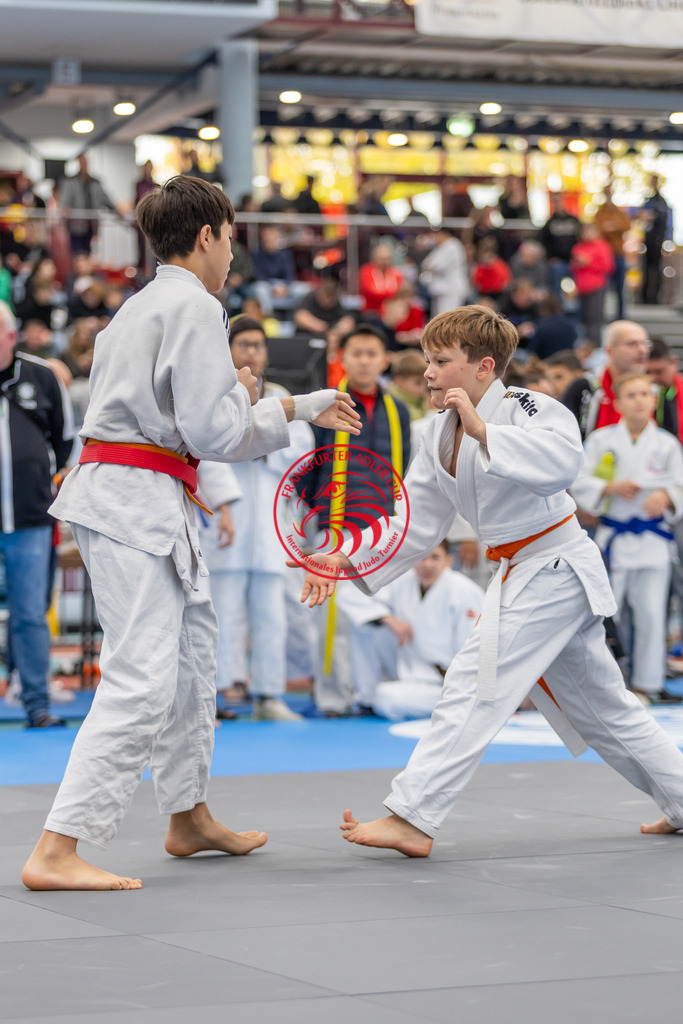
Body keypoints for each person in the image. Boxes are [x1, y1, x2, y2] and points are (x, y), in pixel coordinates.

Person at [21, 175, 361, 892]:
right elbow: (215, 432)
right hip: (134, 500)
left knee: (190, 658)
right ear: (206, 235)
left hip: (140, 494)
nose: (232, 254)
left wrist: (288, 405)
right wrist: (275, 403)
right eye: (230, 238)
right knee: (143, 675)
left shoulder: (139, 306)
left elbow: (198, 426)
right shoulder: (195, 307)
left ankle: (188, 813)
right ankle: (57, 847)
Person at [295, 304, 683, 856]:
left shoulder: (530, 407)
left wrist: (485, 432)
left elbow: (563, 464)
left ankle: (413, 815)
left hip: (554, 564)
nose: (428, 372)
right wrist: (344, 556)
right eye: (427, 360)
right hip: (522, 569)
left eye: (441, 361)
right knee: (603, 709)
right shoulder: (436, 432)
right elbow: (413, 521)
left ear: (483, 367)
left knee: (474, 681)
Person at [200, 316, 311, 721]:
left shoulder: (280, 396)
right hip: (228, 517)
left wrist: (259, 437)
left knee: (271, 616)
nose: (252, 352)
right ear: (228, 350)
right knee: (221, 614)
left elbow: (301, 448)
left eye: (258, 345)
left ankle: (268, 695)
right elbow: (208, 451)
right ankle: (212, 696)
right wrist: (253, 435)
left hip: (270, 522)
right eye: (244, 344)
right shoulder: (215, 394)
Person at [299, 322, 411, 716]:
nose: (364, 361)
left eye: (371, 353)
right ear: (342, 358)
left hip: (382, 528)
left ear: (385, 359)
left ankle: (370, 692)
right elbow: (309, 467)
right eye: (357, 353)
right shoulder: (324, 405)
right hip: (334, 524)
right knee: (331, 616)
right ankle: (333, 697)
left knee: (377, 612)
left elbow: (404, 469)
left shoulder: (397, 410)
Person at [571, 373, 683, 705]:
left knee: (651, 614)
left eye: (645, 394)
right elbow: (578, 479)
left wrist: (668, 495)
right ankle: (606, 686)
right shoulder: (601, 440)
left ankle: (647, 684)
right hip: (613, 538)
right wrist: (608, 487)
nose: (639, 400)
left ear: (653, 401)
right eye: (631, 395)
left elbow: (680, 483)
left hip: (654, 540)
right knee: (606, 616)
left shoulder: (667, 443)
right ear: (618, 403)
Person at [0, 300, 75, 728]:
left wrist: (49, 483)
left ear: (11, 336)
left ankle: (36, 704)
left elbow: (67, 441)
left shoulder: (41, 377)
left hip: (30, 518)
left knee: (30, 613)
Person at [336, 541, 484, 719]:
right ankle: (366, 701)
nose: (427, 565)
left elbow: (474, 650)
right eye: (422, 558)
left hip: (449, 683)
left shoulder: (464, 591)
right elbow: (348, 595)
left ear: (448, 561)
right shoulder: (404, 581)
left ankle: (466, 705)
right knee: (364, 624)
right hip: (411, 669)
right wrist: (387, 619)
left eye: (435, 558)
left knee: (386, 698)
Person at [562, 320, 651, 439]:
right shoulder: (585, 387)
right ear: (609, 351)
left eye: (645, 343)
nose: (642, 350)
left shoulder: (655, 389)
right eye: (632, 344)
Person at [59, 153, 117, 255]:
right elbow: (65, 203)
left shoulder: (95, 182)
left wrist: (117, 211)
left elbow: (106, 201)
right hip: (76, 226)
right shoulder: (70, 182)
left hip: (91, 226)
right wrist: (65, 213)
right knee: (77, 253)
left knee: (88, 253)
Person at [570, 222, 615, 344]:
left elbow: (608, 267)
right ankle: (585, 344)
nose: (587, 234)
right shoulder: (578, 247)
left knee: (595, 318)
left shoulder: (602, 246)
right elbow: (572, 267)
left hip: (597, 285)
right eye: (585, 231)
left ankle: (595, 344)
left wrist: (589, 263)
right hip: (581, 286)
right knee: (583, 318)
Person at [594, 184, 631, 321]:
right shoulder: (600, 213)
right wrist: (613, 228)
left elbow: (626, 226)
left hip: (618, 254)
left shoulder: (619, 212)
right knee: (603, 288)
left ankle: (621, 316)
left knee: (620, 288)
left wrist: (612, 227)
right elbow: (599, 228)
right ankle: (602, 316)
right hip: (604, 256)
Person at [420, 227, 469, 317]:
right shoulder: (441, 247)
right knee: (438, 317)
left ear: (443, 234)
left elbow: (437, 266)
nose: (434, 238)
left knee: (448, 318)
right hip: (442, 290)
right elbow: (425, 264)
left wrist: (430, 265)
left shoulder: (452, 245)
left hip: (451, 290)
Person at [538, 193, 581, 296]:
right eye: (555, 202)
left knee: (579, 284)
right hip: (558, 260)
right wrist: (550, 257)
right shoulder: (550, 223)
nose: (558, 204)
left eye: (559, 201)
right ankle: (557, 303)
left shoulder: (574, 221)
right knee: (556, 284)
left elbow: (580, 239)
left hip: (575, 259)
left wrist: (579, 255)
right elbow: (544, 241)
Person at [640, 175, 670, 305]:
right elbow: (642, 215)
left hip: (657, 240)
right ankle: (645, 298)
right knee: (646, 269)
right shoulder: (649, 200)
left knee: (656, 269)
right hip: (648, 240)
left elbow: (662, 219)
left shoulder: (661, 202)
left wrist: (652, 216)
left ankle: (656, 298)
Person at [358, 244, 404, 314]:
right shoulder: (366, 271)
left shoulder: (395, 272)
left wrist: (385, 293)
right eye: (383, 259)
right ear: (374, 259)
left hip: (392, 312)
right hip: (372, 311)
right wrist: (392, 295)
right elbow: (371, 293)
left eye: (388, 258)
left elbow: (401, 291)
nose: (386, 262)